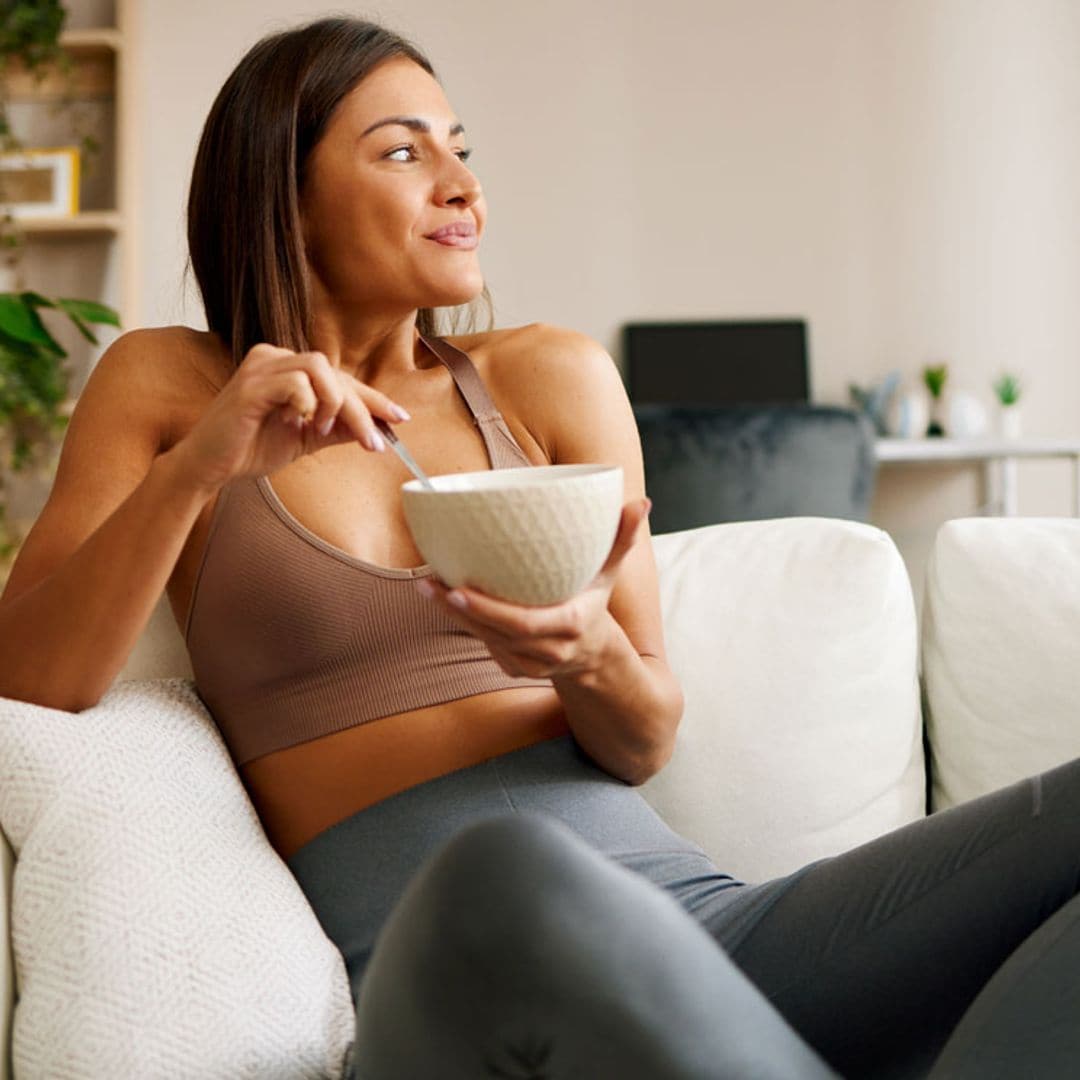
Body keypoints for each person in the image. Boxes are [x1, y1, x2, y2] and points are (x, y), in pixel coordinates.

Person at [1, 15, 1079, 1079]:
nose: (462, 185)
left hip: (709, 942)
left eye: (460, 150)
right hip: (459, 965)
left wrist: (585, 654)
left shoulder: (549, 376)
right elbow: (30, 680)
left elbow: (646, 734)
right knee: (505, 869)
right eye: (402, 151)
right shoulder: (172, 383)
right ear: (280, 193)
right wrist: (202, 464)